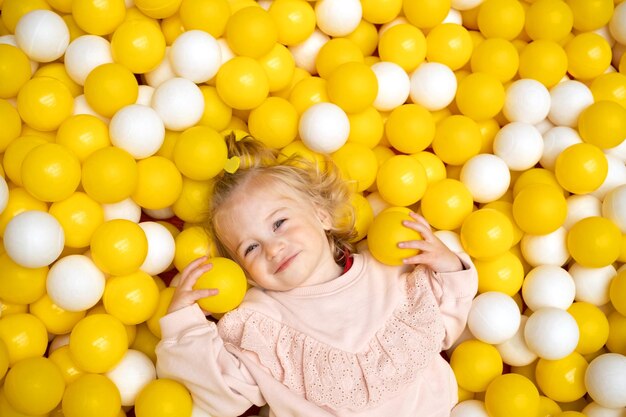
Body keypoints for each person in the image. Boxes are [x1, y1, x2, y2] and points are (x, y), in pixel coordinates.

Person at [156, 133, 478, 417]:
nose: (273, 248)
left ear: (321, 214)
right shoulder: (259, 323)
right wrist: (183, 324)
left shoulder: (388, 269)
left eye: (279, 223)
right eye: (251, 248)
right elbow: (223, 394)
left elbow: (446, 319)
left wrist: (446, 263)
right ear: (243, 271)